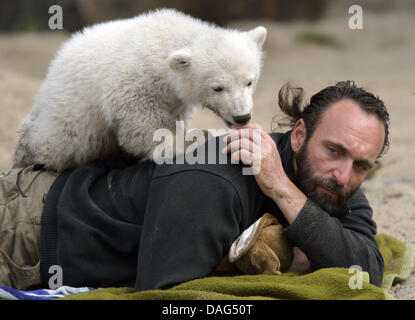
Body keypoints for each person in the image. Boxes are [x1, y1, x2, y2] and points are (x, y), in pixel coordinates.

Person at [0, 80, 389, 291]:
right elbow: (167, 297)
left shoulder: (329, 184)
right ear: (300, 135)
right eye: (334, 151)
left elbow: (366, 266)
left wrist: (286, 193)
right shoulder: (215, 179)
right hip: (27, 230)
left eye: (360, 165)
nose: (343, 174)